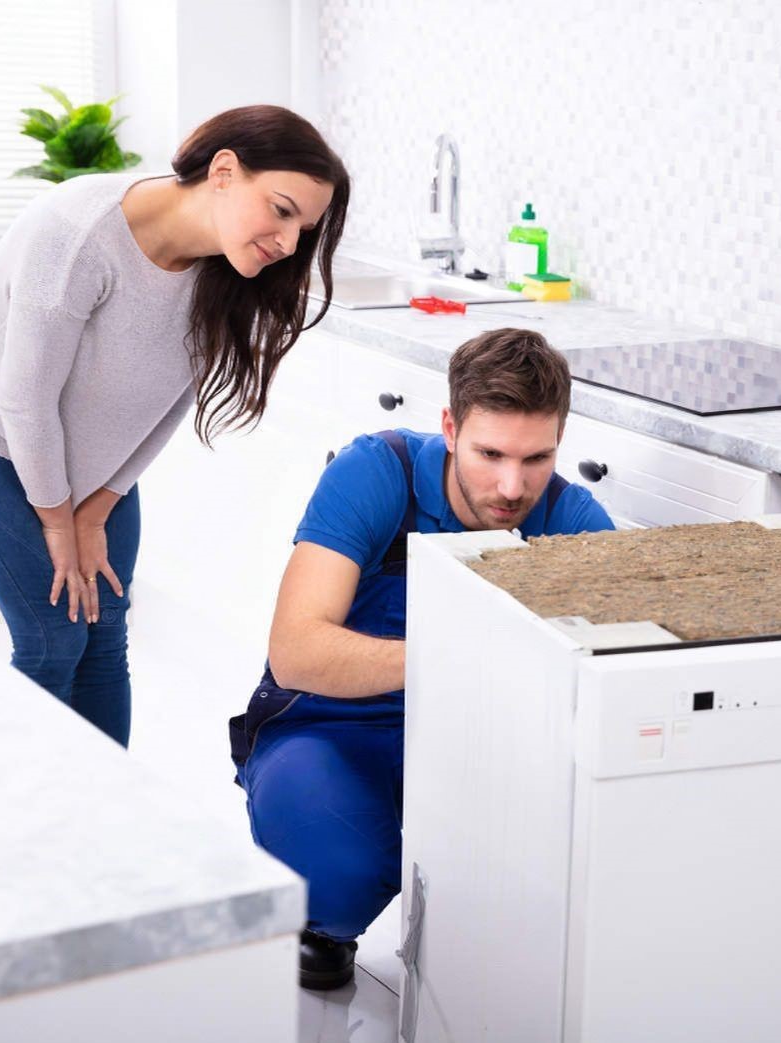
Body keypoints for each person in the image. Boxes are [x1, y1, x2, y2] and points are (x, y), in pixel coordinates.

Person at [0, 105, 349, 746]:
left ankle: (105, 802)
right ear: (223, 172)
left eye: (302, 229)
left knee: (105, 626)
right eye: (281, 211)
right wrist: (58, 522)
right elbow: (24, 400)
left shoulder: (230, 269)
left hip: (83, 450)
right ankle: (25, 797)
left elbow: (173, 398)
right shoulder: (79, 231)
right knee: (51, 634)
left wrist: (96, 508)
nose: (287, 243)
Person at [229, 328, 614, 990]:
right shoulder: (377, 472)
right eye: (490, 453)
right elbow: (295, 651)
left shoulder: (575, 522)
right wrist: (459, 655)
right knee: (341, 875)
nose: (512, 486)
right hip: (332, 726)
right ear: (450, 428)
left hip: (482, 740)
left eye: (537, 458)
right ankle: (322, 921)